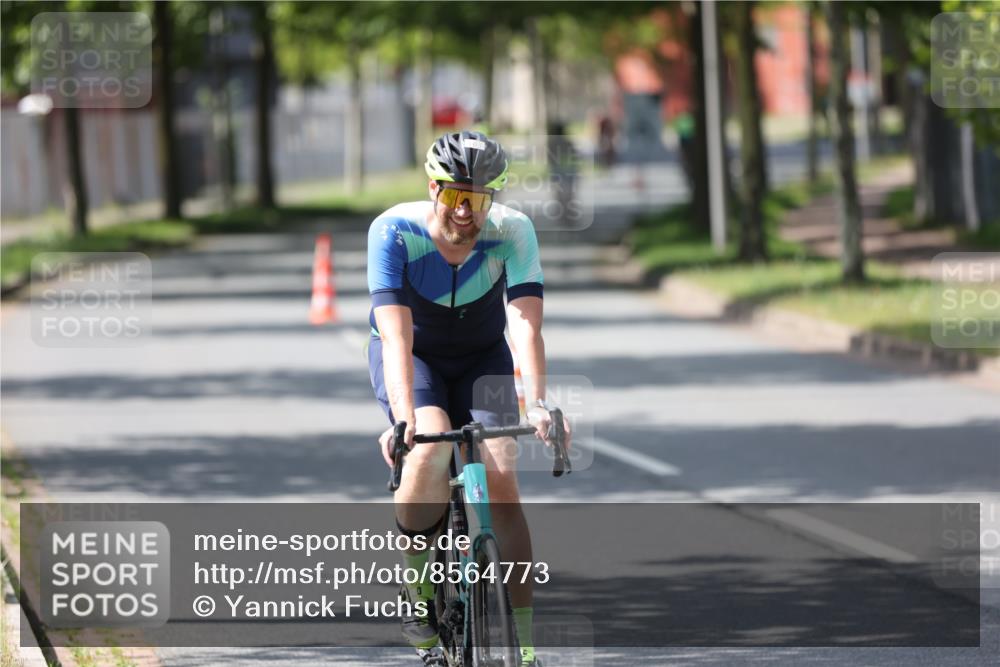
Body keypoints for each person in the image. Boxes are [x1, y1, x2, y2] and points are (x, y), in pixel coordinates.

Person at [366, 130, 571, 666]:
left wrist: (539, 404)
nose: (465, 212)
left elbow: (525, 327)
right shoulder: (394, 231)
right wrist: (404, 419)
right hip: (418, 358)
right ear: (433, 189)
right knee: (430, 449)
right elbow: (396, 336)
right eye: (456, 196)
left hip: (484, 358)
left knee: (502, 479)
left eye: (479, 199)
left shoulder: (513, 232)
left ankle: (525, 648)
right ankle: (417, 588)